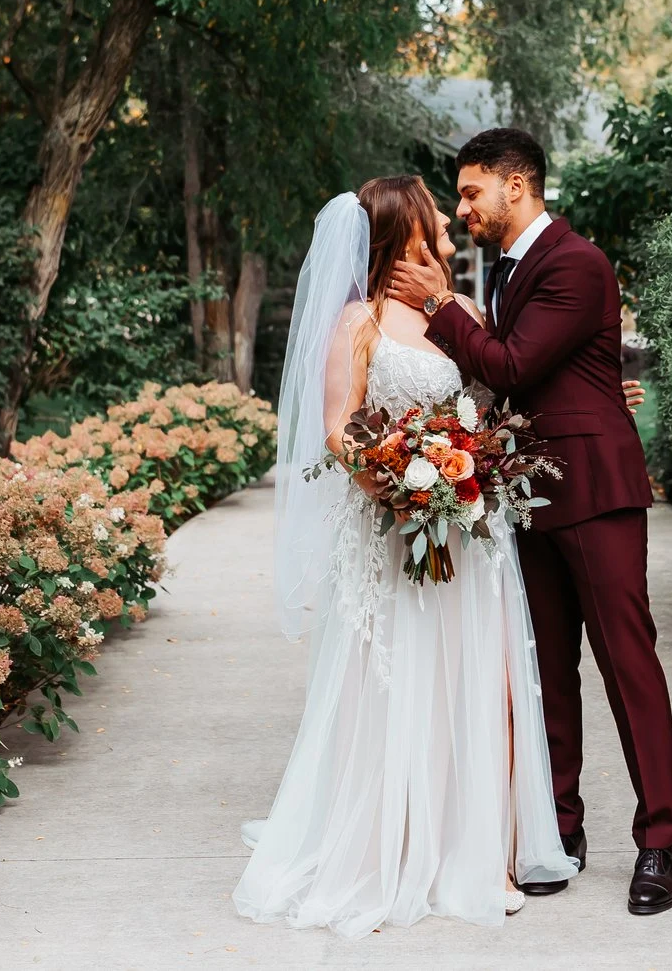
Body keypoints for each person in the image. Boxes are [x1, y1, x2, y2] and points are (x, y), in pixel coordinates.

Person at [234, 178, 578, 937]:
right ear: (405, 235)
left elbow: (492, 403)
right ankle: (396, 847)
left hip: (470, 536)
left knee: (483, 685)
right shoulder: (358, 321)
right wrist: (404, 486)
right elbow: (340, 428)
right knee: (402, 686)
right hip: (401, 536)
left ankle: (483, 852)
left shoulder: (455, 314)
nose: (451, 233)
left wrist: (473, 464)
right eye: (436, 223)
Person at [386, 126, 672, 916]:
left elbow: (514, 362)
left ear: (516, 185)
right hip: (530, 496)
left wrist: (440, 306)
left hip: (595, 488)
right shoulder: (509, 270)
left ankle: (658, 841)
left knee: (627, 663)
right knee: (548, 668)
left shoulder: (577, 263)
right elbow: (517, 380)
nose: (464, 206)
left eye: (472, 190)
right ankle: (560, 827)